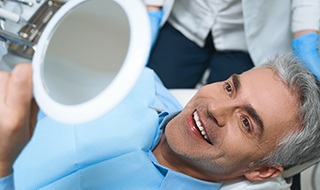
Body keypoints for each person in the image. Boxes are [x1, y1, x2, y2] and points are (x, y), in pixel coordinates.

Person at [0, 53, 320, 189]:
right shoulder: (135, 81)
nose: (215, 109)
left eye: (247, 122)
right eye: (229, 87)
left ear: (262, 170)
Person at [145, 0, 320, 88]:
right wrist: (151, 7)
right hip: (186, 19)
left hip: (244, 37)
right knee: (152, 96)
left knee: (224, 120)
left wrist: (306, 33)